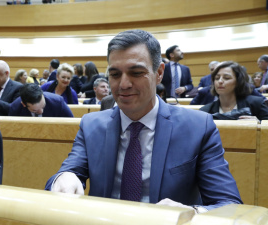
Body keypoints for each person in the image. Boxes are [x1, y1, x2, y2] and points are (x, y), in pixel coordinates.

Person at [45, 29, 242, 212]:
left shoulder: (199, 127)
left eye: (136, 73)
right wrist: (64, 177)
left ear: (159, 73)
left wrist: (190, 213)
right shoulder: (91, 125)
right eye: (114, 74)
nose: (123, 84)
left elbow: (229, 205)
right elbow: (68, 172)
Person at [199, 61, 268, 121]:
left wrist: (259, 125)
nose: (220, 81)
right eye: (217, 78)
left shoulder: (256, 104)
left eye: (226, 78)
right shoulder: (205, 111)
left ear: (238, 81)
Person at [9, 84, 73, 117]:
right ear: (23, 104)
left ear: (42, 94)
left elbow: (72, 124)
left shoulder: (58, 102)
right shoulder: (15, 108)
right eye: (35, 110)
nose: (41, 111)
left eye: (43, 106)